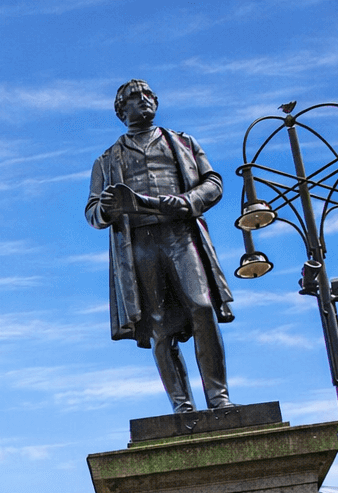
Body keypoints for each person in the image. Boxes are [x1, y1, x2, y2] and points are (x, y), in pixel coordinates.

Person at [86, 79, 235, 414]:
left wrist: (187, 201)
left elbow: (213, 183)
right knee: (159, 325)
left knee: (202, 307)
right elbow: (93, 212)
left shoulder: (182, 142)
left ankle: (218, 398)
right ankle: (182, 406)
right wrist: (108, 208)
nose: (143, 100)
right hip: (140, 243)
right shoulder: (107, 160)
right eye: (134, 98)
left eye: (147, 95)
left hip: (180, 234)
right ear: (122, 111)